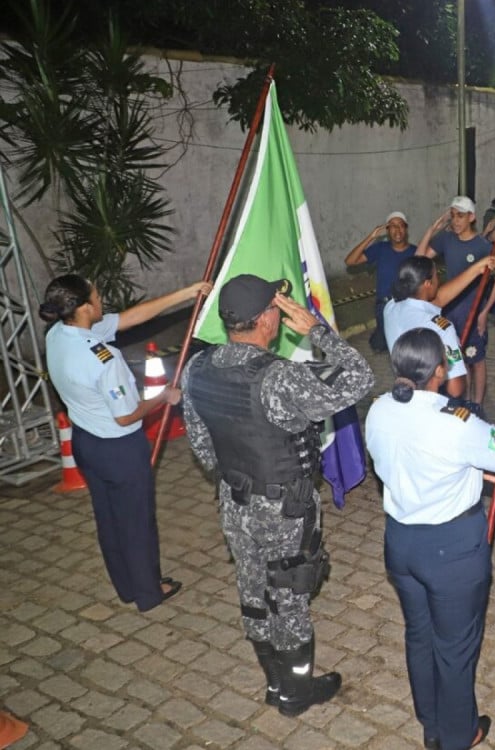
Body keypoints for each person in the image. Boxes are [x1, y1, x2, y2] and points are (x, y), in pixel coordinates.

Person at [182, 274, 374, 716]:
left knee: (252, 591)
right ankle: (296, 693)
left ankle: (273, 682)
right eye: (276, 307)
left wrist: (238, 473)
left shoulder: (197, 367)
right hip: (283, 509)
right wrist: (317, 330)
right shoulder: (279, 378)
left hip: (235, 501)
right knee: (289, 597)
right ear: (267, 319)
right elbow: (359, 379)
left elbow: (202, 447)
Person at [365, 328, 495, 750]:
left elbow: (416, 459)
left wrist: (478, 471)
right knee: (455, 648)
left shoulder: (378, 410)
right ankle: (459, 736)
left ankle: (432, 723)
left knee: (419, 634)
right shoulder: (457, 423)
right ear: (440, 370)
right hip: (452, 552)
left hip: (401, 543)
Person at [40, 275, 208, 612]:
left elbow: (132, 317)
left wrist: (187, 293)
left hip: (86, 442)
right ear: (85, 307)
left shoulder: (60, 334)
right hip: (120, 449)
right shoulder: (103, 359)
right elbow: (127, 416)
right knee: (136, 521)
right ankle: (149, 592)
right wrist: (163, 397)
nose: (101, 298)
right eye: (96, 295)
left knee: (109, 519)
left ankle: (127, 586)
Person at [418, 196, 495, 406]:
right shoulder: (446, 240)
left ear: (472, 217)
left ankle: (477, 405)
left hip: (472, 312)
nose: (456, 221)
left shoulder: (482, 246)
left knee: (476, 359)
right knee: (456, 359)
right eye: (453, 216)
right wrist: (431, 230)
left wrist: (484, 312)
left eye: (461, 216)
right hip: (448, 310)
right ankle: (463, 402)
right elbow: (419, 259)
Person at [382, 255, 495, 401]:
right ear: (427, 283)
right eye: (437, 275)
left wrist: (476, 269)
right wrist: (454, 362)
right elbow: (455, 389)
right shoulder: (442, 329)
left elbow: (437, 300)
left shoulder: (390, 308)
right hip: (435, 402)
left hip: (404, 395)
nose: (439, 280)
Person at [344, 211, 415, 352]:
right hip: (385, 304)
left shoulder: (415, 251)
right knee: (381, 344)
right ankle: (379, 338)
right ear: (387, 231)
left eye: (401, 225)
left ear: (406, 229)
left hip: (407, 304)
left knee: (402, 343)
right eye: (393, 226)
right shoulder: (380, 248)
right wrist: (371, 237)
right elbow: (350, 261)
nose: (397, 230)